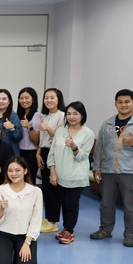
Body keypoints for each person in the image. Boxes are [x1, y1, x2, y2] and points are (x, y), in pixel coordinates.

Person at [90, 89, 133, 248]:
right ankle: (105, 230)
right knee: (106, 204)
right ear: (115, 104)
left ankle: (131, 236)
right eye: (120, 102)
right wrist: (96, 167)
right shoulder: (107, 124)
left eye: (127, 101)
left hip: (130, 172)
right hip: (108, 170)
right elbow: (100, 148)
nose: (123, 105)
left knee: (131, 205)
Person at [47, 101, 95, 244]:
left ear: (82, 115)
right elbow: (52, 153)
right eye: (69, 113)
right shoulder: (61, 130)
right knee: (63, 203)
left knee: (71, 204)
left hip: (76, 176)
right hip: (60, 175)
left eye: (75, 113)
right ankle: (66, 228)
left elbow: (83, 156)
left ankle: (69, 230)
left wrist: (74, 146)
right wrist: (52, 172)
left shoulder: (88, 133)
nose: (72, 117)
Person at [0, 156, 42, 264]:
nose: (14, 174)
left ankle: (17, 257)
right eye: (10, 170)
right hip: (3, 234)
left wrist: (27, 242)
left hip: (25, 236)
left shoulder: (35, 192)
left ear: (25, 171)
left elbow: (36, 219)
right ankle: (7, 255)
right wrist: (2, 209)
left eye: (17, 170)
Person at [36, 88, 66, 233]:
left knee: (53, 189)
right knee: (46, 188)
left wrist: (47, 128)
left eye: (52, 97)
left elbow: (59, 138)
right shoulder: (45, 116)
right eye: (46, 97)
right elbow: (43, 140)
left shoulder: (62, 116)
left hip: (56, 152)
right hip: (44, 151)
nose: (48, 100)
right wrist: (38, 153)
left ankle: (53, 221)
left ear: (58, 99)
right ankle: (48, 218)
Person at [17, 87, 43, 184]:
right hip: (19, 151)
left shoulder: (36, 116)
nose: (24, 101)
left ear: (33, 99)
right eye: (21, 98)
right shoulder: (18, 115)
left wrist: (29, 127)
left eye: (27, 98)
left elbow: (36, 140)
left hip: (30, 153)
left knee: (29, 180)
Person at [0, 89, 22, 156]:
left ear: (9, 101)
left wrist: (12, 128)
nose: (1, 101)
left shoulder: (13, 116)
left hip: (10, 154)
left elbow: (18, 137)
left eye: (4, 99)